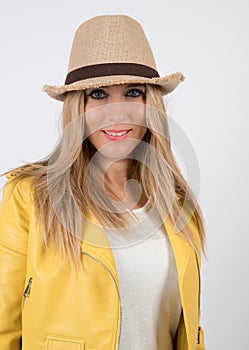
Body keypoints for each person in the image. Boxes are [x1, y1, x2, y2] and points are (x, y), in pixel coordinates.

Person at [0, 14, 206, 350]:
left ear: (150, 103)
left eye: (133, 92)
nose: (117, 114)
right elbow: (3, 329)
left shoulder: (176, 206)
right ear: (76, 108)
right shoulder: (28, 198)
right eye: (98, 94)